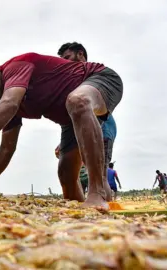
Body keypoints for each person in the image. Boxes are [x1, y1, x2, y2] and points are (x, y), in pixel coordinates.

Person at [0, 52, 123, 210]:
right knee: (66, 173)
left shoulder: (15, 68)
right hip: (70, 119)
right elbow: (6, 148)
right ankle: (90, 216)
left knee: (78, 100)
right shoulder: (11, 105)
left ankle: (96, 194)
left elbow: (8, 104)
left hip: (99, 80)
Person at [54, 42, 118, 194]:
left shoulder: (93, 75)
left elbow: (91, 113)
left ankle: (105, 213)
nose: (65, 63)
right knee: (88, 173)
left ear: (81, 54)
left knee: (100, 177)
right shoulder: (76, 81)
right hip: (90, 129)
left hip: (103, 128)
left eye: (68, 57)